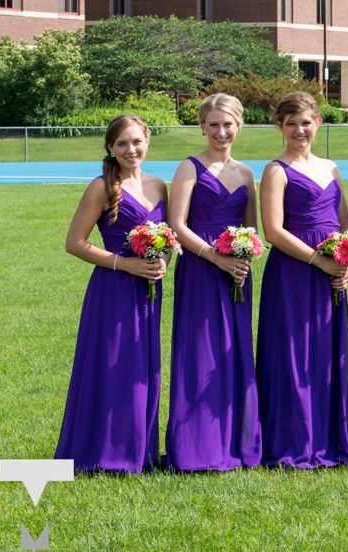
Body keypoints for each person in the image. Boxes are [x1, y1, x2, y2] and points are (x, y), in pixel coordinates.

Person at [55, 114, 168, 474]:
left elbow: (168, 237)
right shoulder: (103, 186)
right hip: (114, 288)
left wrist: (162, 260)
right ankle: (106, 452)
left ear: (147, 141)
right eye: (122, 144)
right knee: (114, 365)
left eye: (136, 141)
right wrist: (125, 264)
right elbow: (74, 243)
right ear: (110, 148)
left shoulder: (159, 186)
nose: (130, 149)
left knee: (142, 370)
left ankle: (140, 451)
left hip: (149, 289)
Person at [256, 92, 348, 468]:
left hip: (333, 271)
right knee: (293, 353)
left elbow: (345, 223)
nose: (300, 130)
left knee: (330, 354)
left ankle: (330, 437)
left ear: (317, 122)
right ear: (280, 127)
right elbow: (273, 231)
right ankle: (294, 439)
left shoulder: (331, 167)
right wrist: (319, 261)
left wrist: (346, 261)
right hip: (294, 273)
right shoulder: (275, 170)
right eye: (291, 123)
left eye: (306, 122)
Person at [165, 93, 263, 471]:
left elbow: (253, 227)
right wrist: (214, 257)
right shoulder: (189, 168)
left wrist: (242, 256)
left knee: (233, 351)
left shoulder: (246, 174)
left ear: (239, 125)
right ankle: (196, 447)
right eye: (214, 125)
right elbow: (177, 225)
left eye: (229, 124)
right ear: (202, 126)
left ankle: (234, 441)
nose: (221, 132)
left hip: (237, 272)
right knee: (200, 351)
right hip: (201, 269)